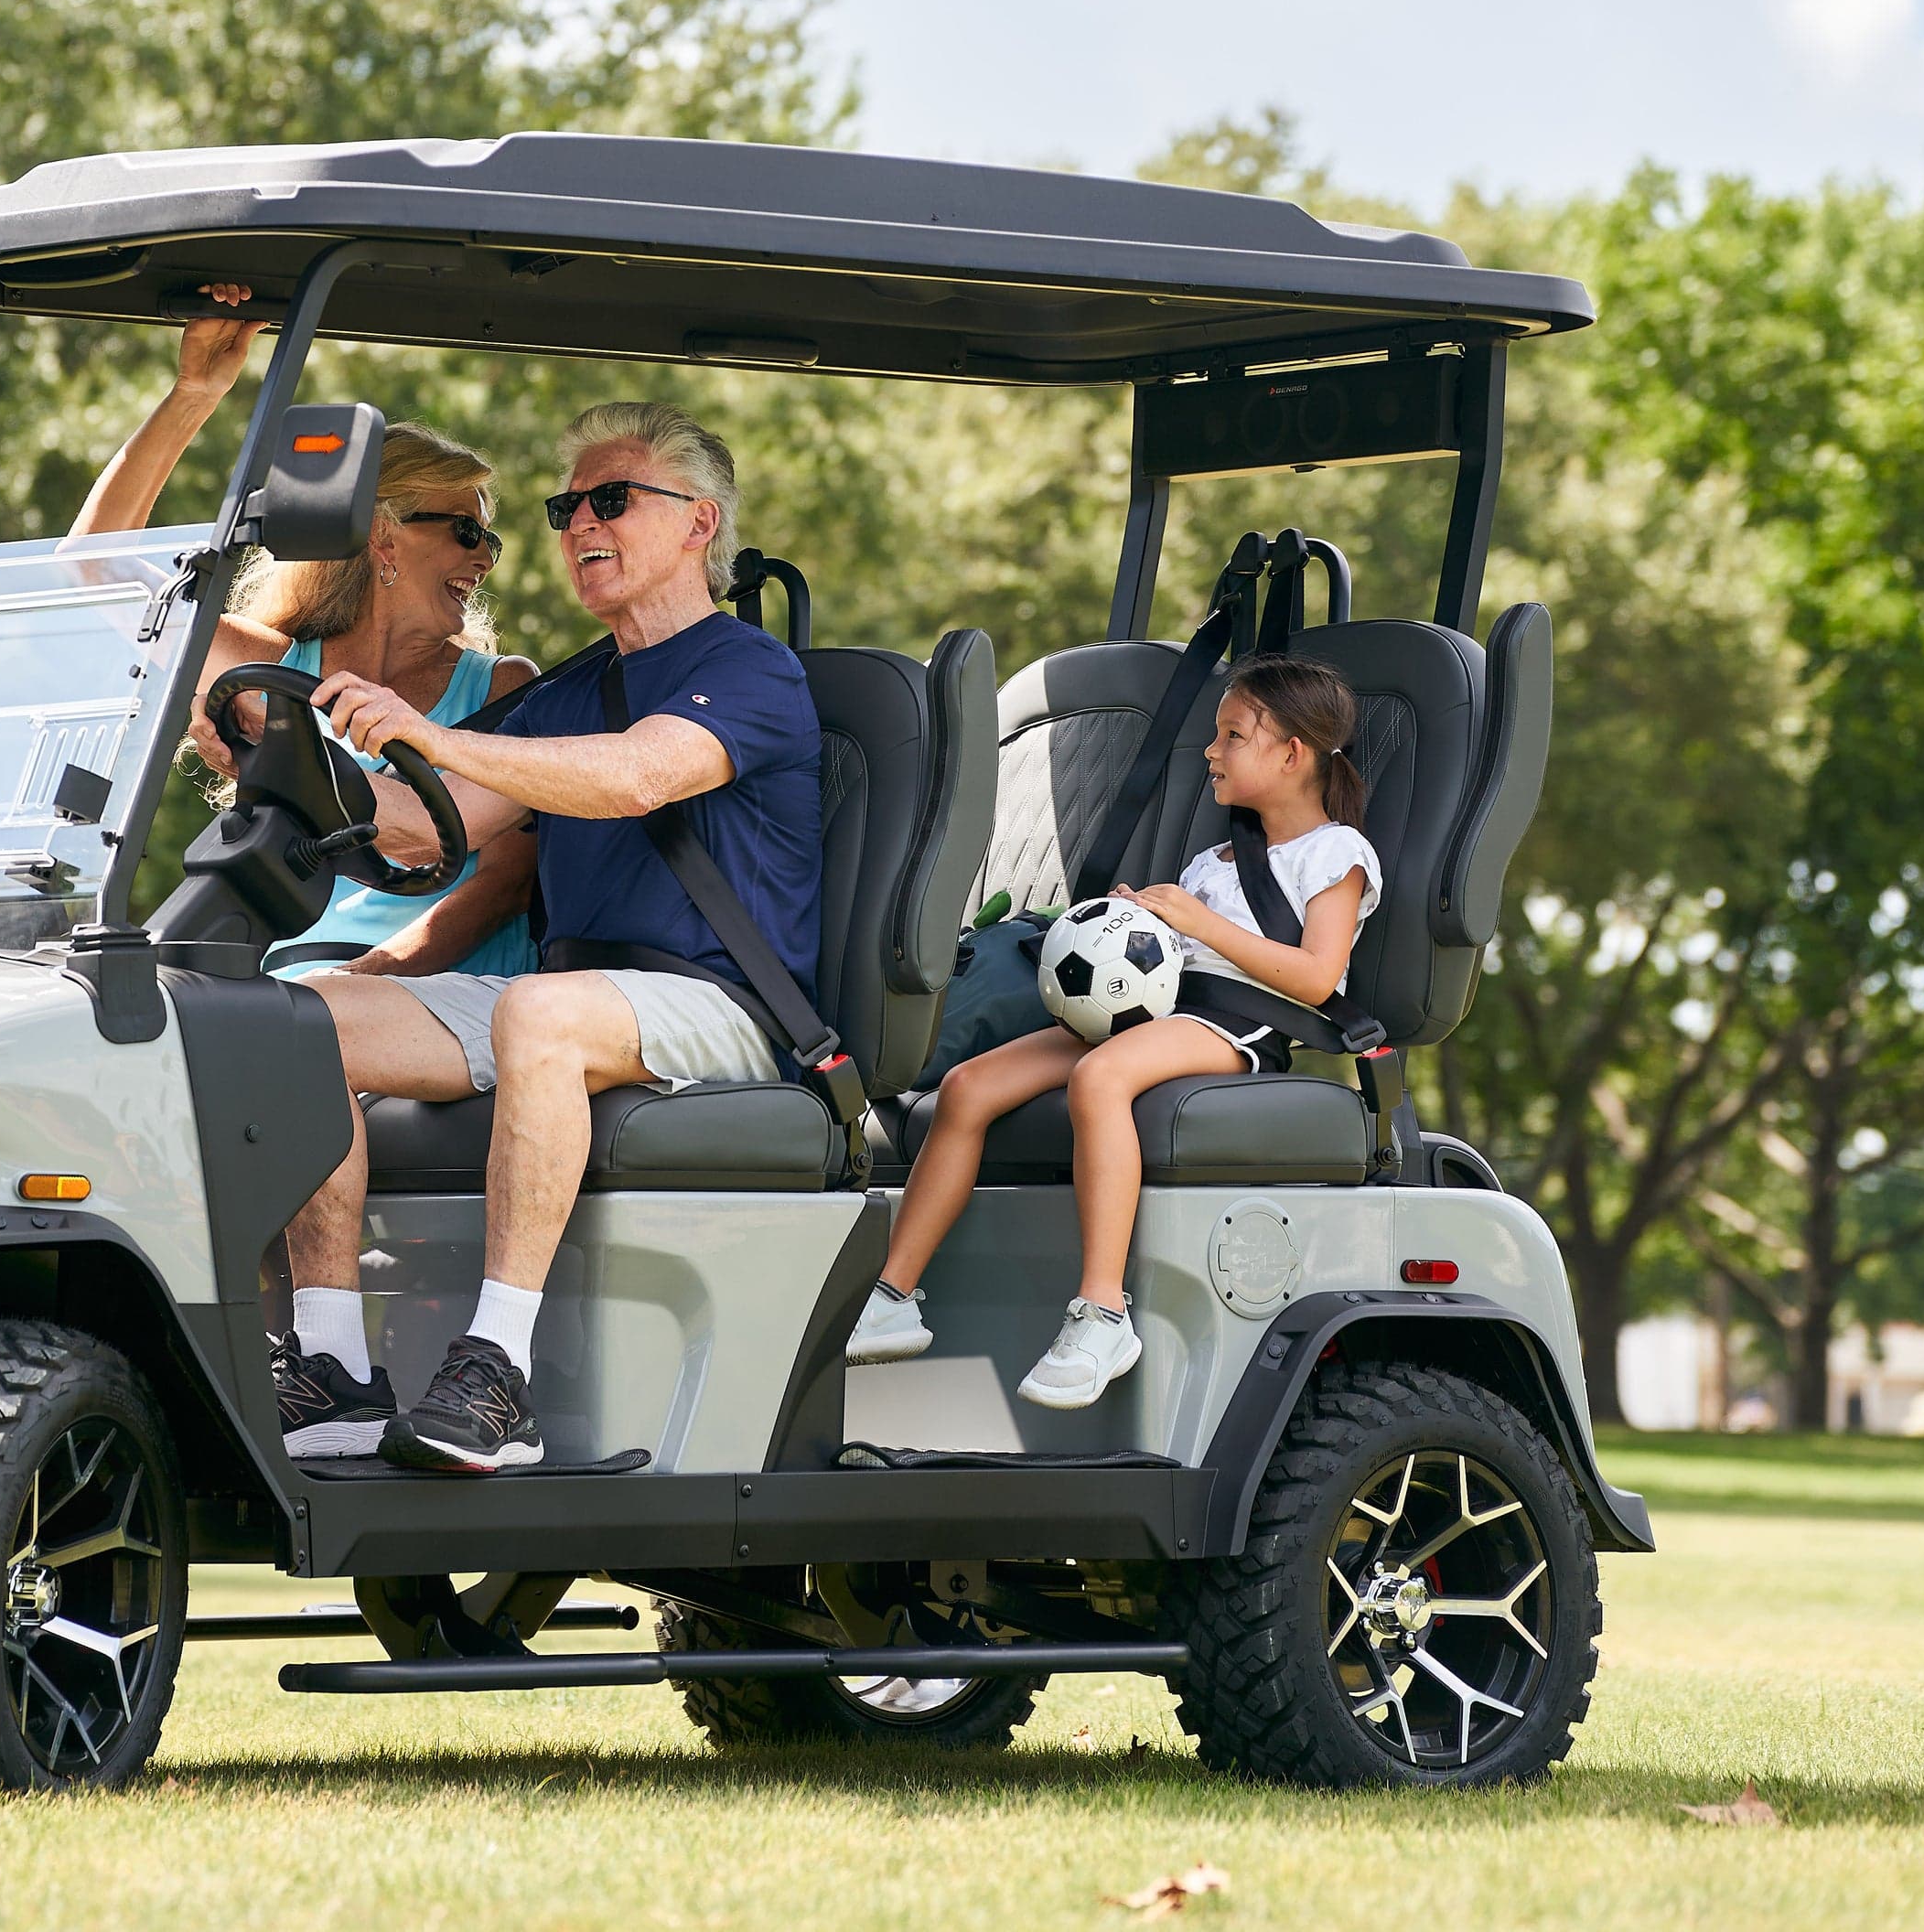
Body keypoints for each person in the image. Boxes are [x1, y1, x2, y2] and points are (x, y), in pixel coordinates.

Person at [273, 402, 824, 1469]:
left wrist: (433, 734)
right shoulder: (568, 689)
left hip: (722, 1003)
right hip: (580, 997)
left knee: (538, 1008)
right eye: (566, 505)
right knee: (301, 1016)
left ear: (699, 523)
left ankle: (498, 1369)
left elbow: (636, 777)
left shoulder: (751, 669)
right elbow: (426, 824)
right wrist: (284, 759)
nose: (579, 522)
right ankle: (333, 1359)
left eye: (610, 499)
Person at [848, 655, 1381, 1411]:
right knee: (968, 1088)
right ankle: (893, 1294)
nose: (1211, 750)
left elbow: (1317, 978)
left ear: (1292, 754)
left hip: (1240, 1023)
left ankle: (1102, 1312)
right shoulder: (1213, 858)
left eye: (1231, 736)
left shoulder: (1337, 854)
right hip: (1159, 1007)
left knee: (1097, 1078)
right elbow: (1169, 955)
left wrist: (1200, 924)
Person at [71, 285, 538, 976]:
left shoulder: (504, 688)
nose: (484, 557)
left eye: (487, 539)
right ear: (383, 535)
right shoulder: (274, 674)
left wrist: (363, 983)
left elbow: (505, 884)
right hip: (290, 980)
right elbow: (93, 565)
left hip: (434, 993)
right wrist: (195, 394)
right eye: (466, 531)